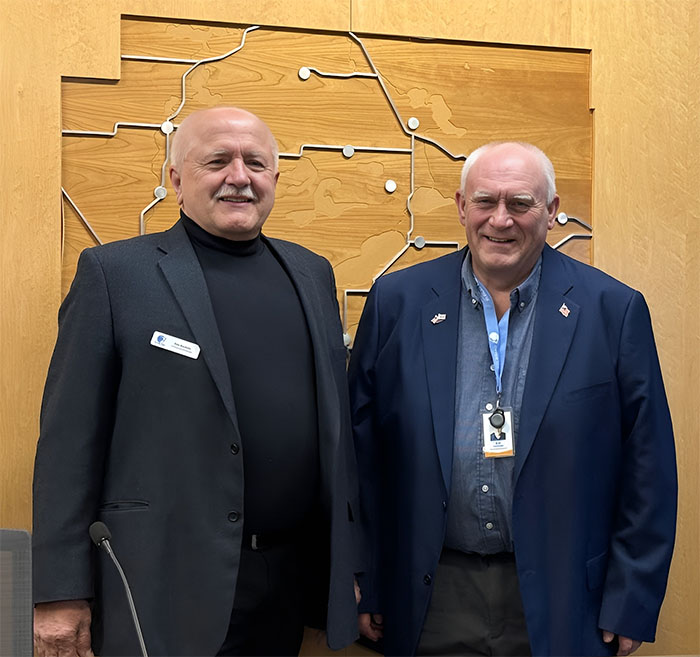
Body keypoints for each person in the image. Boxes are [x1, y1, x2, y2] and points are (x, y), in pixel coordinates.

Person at [32, 106, 361, 656]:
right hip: (162, 583)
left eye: (256, 162)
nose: (239, 176)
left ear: (275, 177)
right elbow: (68, 445)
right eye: (217, 161)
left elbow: (336, 434)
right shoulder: (114, 275)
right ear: (176, 179)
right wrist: (59, 593)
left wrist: (346, 565)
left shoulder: (312, 273)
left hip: (287, 580)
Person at [348, 141, 677, 657]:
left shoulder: (613, 310)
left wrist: (631, 599)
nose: (500, 220)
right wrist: (364, 575)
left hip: (565, 599)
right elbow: (359, 454)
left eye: (520, 203)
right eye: (485, 201)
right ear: (462, 207)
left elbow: (648, 467)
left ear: (551, 210)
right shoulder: (397, 302)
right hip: (430, 592)